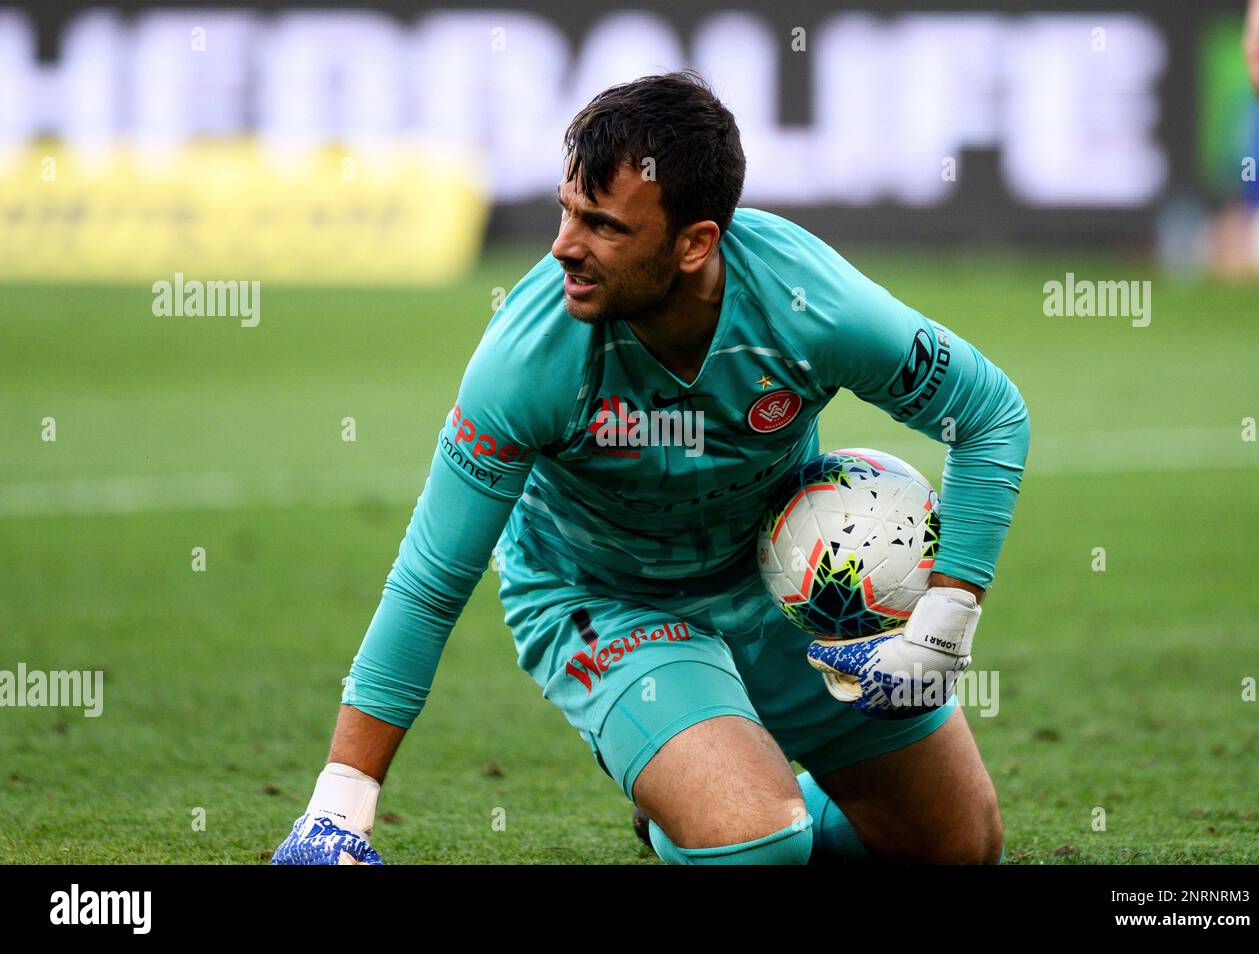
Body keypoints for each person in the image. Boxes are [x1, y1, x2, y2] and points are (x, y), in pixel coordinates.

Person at [272, 71, 1029, 866]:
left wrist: (945, 622)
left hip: (774, 585)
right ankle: (702, 811)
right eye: (567, 210)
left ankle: (712, 797)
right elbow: (431, 581)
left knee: (959, 849)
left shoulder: (813, 306)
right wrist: (338, 811)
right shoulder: (528, 356)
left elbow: (987, 413)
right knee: (759, 848)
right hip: (605, 600)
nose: (565, 244)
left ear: (696, 241)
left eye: (602, 225)